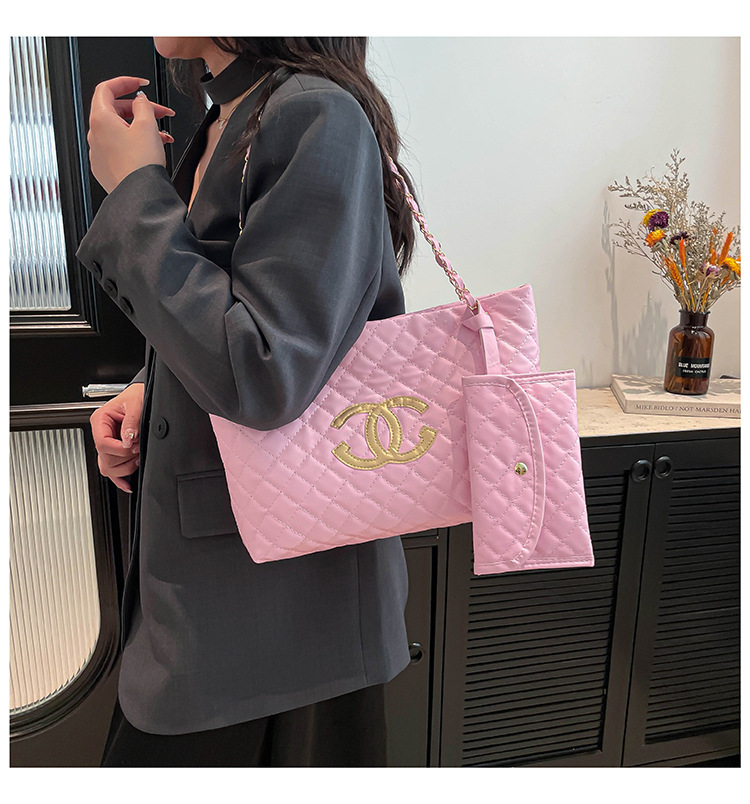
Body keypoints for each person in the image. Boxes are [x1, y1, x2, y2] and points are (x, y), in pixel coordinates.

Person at [77, 37, 421, 767]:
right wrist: (150, 388)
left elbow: (266, 371)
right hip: (227, 601)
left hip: (284, 617)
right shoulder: (232, 113)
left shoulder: (313, 113)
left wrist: (135, 192)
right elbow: (254, 321)